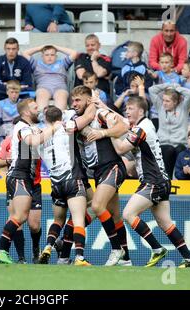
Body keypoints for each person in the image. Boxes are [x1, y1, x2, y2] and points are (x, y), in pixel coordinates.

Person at [110, 96, 190, 268]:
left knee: (128, 214)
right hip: (162, 180)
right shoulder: (143, 126)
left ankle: (157, 249)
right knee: (165, 223)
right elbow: (129, 154)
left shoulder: (142, 128)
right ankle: (189, 260)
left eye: (130, 108)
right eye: (126, 108)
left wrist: (110, 131)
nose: (127, 111)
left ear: (141, 111)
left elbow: (120, 148)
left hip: (154, 181)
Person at [0, 98, 59, 264]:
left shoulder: (30, 128)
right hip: (19, 175)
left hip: (26, 177)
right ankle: (1, 249)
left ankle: (2, 251)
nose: (39, 111)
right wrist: (52, 127)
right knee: (20, 216)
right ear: (27, 111)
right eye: (36, 108)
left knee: (20, 217)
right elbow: (33, 141)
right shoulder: (22, 127)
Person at [69, 85, 130, 266]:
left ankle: (116, 248)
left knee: (96, 205)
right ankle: (126, 260)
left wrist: (102, 132)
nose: (74, 103)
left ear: (88, 100)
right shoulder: (77, 118)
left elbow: (123, 127)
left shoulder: (101, 114)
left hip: (112, 166)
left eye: (78, 100)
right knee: (115, 216)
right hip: (98, 172)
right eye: (73, 100)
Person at [38, 106, 90, 266]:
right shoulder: (68, 127)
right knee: (78, 219)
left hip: (55, 183)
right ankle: (79, 257)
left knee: (58, 220)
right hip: (72, 179)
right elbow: (87, 117)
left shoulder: (40, 138)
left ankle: (48, 246)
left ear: (46, 119)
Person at [149, 83, 190, 178]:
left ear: (175, 102)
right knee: (168, 150)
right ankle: (167, 179)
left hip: (180, 144)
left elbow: (189, 93)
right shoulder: (160, 107)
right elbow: (151, 90)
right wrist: (168, 85)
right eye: (163, 100)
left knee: (180, 150)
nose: (164, 103)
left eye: (167, 101)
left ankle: (182, 180)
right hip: (164, 145)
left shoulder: (183, 108)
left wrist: (176, 88)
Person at [23, 44, 78, 111]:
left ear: (56, 56)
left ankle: (59, 118)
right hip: (43, 87)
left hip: (60, 87)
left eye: (52, 55)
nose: (49, 57)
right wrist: (39, 48)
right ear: (42, 56)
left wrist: (56, 47)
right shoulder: (36, 63)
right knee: (41, 99)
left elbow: (74, 53)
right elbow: (24, 53)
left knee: (61, 101)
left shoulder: (62, 63)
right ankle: (41, 118)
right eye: (47, 55)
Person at [0, 38, 34, 108]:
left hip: (19, 93)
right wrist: (15, 86)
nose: (11, 51)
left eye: (13, 49)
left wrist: (7, 85)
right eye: (8, 49)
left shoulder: (24, 62)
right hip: (2, 92)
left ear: (18, 49)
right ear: (5, 49)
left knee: (28, 101)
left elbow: (28, 83)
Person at [0, 80, 20, 144]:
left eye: (16, 92)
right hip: (4, 128)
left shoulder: (22, 103)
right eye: (12, 92)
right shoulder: (0, 104)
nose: (14, 94)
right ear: (7, 92)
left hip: (18, 127)